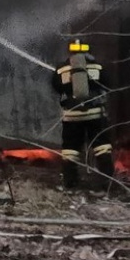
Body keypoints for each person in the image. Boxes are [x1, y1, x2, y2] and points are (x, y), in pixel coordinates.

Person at [51, 39, 114, 190]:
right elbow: (107, 84)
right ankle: (107, 181)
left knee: (70, 149)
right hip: (94, 114)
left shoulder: (61, 69)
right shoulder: (97, 66)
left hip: (72, 115)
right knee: (102, 146)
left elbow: (56, 87)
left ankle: (70, 182)